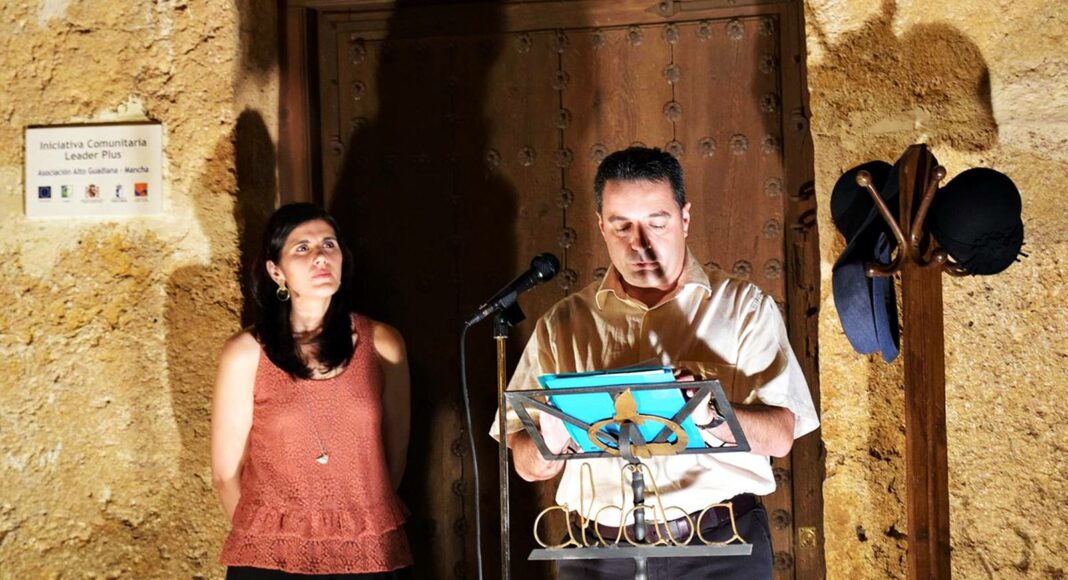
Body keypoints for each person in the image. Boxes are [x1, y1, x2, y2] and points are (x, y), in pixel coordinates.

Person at [492, 147, 819, 579]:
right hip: (597, 556)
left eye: (657, 223)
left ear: (685, 218)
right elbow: (524, 464)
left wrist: (712, 414)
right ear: (601, 225)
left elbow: (780, 436)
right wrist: (548, 442)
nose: (640, 243)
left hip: (719, 548)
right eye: (622, 226)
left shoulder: (744, 307)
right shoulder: (562, 324)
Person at [212, 203, 412, 578]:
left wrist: (354, 522)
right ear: (276, 271)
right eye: (302, 248)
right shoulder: (246, 353)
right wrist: (270, 541)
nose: (320, 256)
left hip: (366, 551)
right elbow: (225, 473)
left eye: (329, 244)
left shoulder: (383, 344)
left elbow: (393, 460)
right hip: (270, 559)